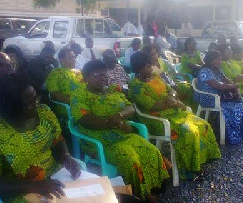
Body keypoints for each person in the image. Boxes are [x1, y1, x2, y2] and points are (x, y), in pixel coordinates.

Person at [70, 60, 169, 203]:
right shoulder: (79, 95)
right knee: (130, 160)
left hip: (123, 133)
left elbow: (131, 108)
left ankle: (153, 187)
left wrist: (119, 116)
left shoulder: (112, 90)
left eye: (104, 73)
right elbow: (84, 119)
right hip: (100, 140)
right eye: (97, 74)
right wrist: (114, 123)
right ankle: (143, 196)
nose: (102, 77)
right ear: (85, 78)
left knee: (151, 151)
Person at [129, 51, 221, 180]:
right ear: (139, 69)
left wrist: (172, 97)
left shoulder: (155, 77)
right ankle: (188, 171)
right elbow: (151, 105)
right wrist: (172, 103)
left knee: (203, 124)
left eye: (151, 66)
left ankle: (201, 159)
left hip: (174, 112)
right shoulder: (135, 86)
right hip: (157, 119)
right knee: (189, 132)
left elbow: (171, 89)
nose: (151, 68)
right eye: (148, 67)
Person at [0, 74, 81, 202]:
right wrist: (32, 186)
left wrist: (66, 157)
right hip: (20, 190)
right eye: (28, 104)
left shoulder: (44, 112)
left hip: (56, 176)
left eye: (35, 98)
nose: (36, 105)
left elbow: (57, 139)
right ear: (8, 108)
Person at [195, 50, 243, 144]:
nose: (220, 61)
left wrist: (236, 90)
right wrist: (235, 86)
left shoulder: (218, 71)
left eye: (221, 59)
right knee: (238, 107)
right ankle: (231, 136)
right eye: (218, 59)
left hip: (221, 98)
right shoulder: (204, 72)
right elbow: (219, 86)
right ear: (211, 61)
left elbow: (228, 82)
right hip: (209, 99)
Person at [46, 48, 85, 119]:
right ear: (62, 61)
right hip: (72, 106)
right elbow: (54, 94)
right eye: (70, 57)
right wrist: (75, 101)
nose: (74, 60)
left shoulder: (79, 72)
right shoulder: (56, 74)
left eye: (74, 57)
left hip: (87, 102)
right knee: (87, 115)